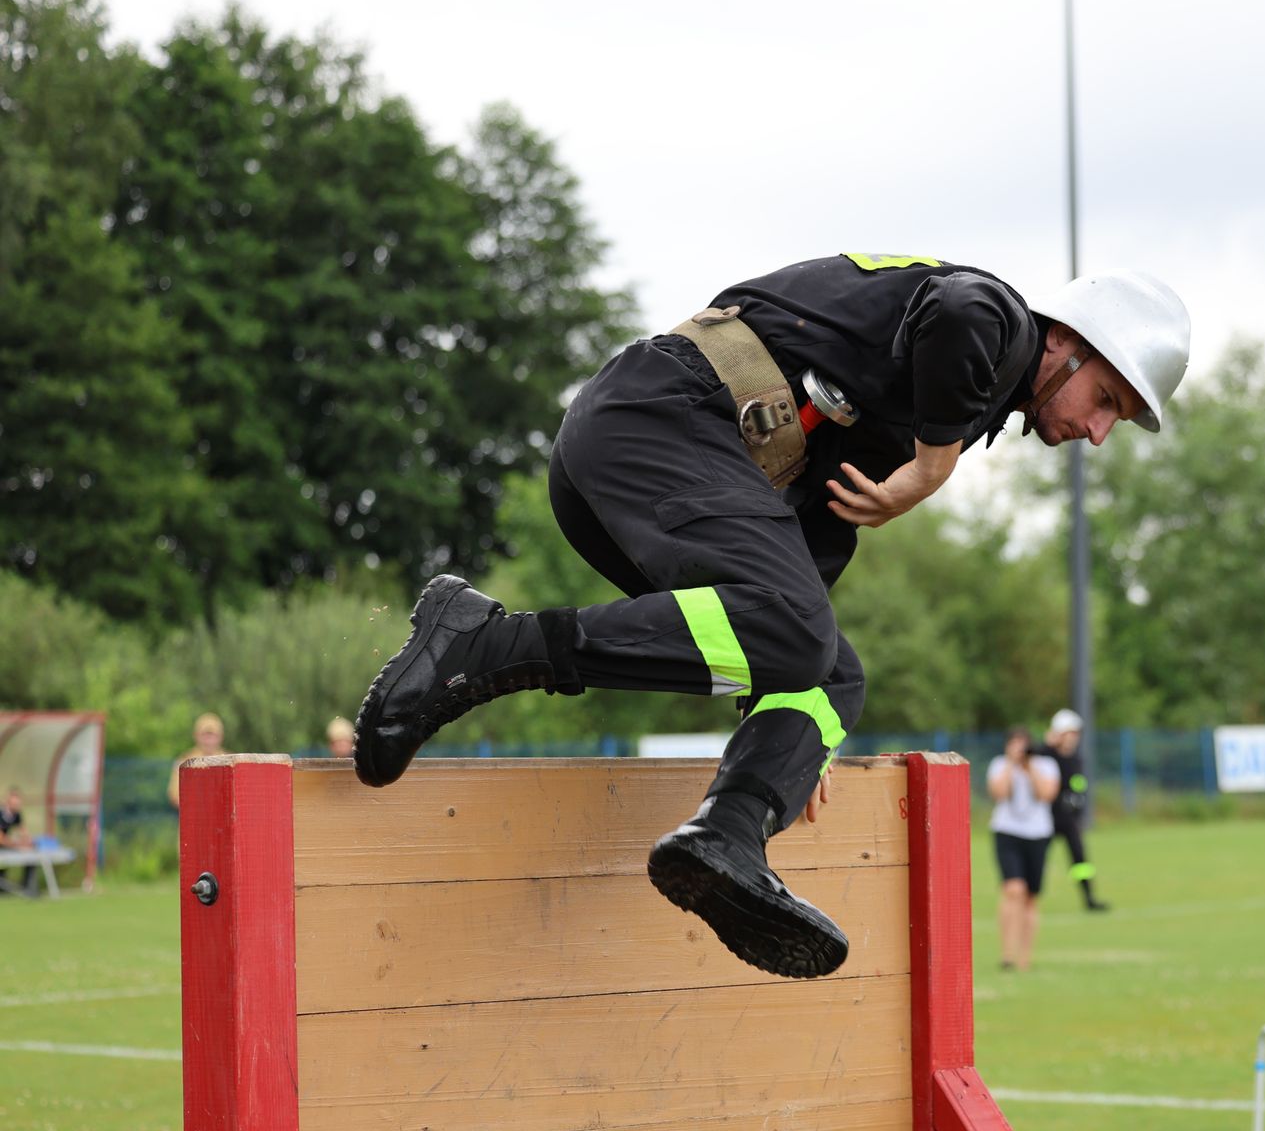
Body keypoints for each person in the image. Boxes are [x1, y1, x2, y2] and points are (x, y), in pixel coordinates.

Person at [351, 255, 1190, 980]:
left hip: (643, 453)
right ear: (1069, 343)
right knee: (799, 637)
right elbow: (958, 309)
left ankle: (728, 835)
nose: (1099, 432)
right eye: (1107, 400)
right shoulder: (1001, 327)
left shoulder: (959, 404)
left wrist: (783, 717)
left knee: (830, 674)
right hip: (659, 418)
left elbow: (810, 541)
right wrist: (930, 470)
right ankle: (490, 645)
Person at [987, 728, 1061, 971]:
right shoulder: (999, 764)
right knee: (1013, 889)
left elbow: (1046, 794)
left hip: (1038, 834)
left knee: (1030, 897)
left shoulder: (1046, 765)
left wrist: (1029, 768)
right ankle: (1007, 955)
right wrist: (1011, 764)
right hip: (1007, 832)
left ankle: (1024, 958)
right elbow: (998, 793)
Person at [1036, 708, 1107, 911]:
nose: (1073, 738)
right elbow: (1032, 759)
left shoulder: (1076, 758)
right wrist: (1047, 744)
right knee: (1038, 858)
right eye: (1069, 733)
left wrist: (1078, 807)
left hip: (1068, 819)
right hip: (1046, 817)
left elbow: (1077, 786)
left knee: (1080, 859)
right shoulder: (1046, 755)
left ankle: (1089, 898)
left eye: (1075, 733)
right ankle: (1031, 898)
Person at [168, 713, 226, 810]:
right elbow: (174, 795)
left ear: (221, 737)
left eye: (212, 735)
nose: (209, 740)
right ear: (196, 736)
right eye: (205, 735)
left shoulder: (231, 761)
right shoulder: (184, 762)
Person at [0, 786, 29, 892]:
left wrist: (26, 842)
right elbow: (1, 839)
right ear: (8, 802)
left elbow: (24, 833)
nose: (17, 806)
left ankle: (26, 887)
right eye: (15, 803)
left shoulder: (16, 815)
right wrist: (16, 844)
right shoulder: (1, 813)